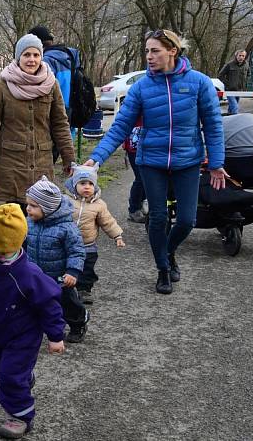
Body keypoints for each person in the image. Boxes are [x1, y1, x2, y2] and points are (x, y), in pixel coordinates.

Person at [84, 29, 226, 295]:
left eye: (155, 51)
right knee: (158, 217)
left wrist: (216, 162)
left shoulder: (199, 83)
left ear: (172, 51)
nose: (149, 56)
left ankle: (168, 252)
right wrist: (96, 158)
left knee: (187, 220)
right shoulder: (141, 88)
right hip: (151, 161)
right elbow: (119, 127)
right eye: (147, 51)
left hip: (187, 161)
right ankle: (163, 268)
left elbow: (213, 125)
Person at [0, 203, 65, 439]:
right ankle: (22, 378)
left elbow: (49, 305)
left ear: (0, 245)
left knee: (10, 376)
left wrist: (55, 336)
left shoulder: (28, 275)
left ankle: (20, 416)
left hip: (23, 336)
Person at [0, 33, 74, 203]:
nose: (32, 60)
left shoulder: (51, 84)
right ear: (18, 56)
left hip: (42, 164)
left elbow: (60, 125)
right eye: (26, 54)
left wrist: (69, 158)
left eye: (36, 55)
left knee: (41, 218)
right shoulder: (2, 84)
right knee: (14, 222)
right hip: (11, 166)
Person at [23, 177, 88, 343]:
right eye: (28, 204)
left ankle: (78, 321)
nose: (28, 209)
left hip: (60, 278)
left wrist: (72, 271)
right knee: (33, 302)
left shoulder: (66, 228)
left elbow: (76, 251)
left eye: (34, 206)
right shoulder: (29, 223)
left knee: (66, 303)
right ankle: (33, 326)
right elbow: (22, 243)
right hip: (35, 275)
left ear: (48, 208)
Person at [63, 164, 125, 304]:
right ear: (74, 184)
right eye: (82, 183)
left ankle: (84, 289)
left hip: (88, 244)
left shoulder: (99, 205)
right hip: (66, 242)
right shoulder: (65, 201)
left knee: (87, 268)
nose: (87, 187)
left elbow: (108, 222)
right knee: (66, 264)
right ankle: (64, 286)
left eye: (91, 183)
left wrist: (117, 236)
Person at [123, 117, 147, 223]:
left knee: (147, 178)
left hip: (149, 143)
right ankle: (134, 209)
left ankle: (140, 204)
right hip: (134, 144)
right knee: (141, 178)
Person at [218, 50, 249, 115]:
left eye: (243, 56)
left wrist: (245, 83)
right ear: (236, 56)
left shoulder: (246, 65)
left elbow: (249, 74)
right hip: (229, 90)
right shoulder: (229, 64)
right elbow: (220, 75)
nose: (241, 57)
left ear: (245, 57)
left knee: (232, 107)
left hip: (239, 90)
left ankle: (228, 119)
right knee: (235, 107)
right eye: (239, 55)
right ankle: (235, 122)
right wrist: (228, 84)